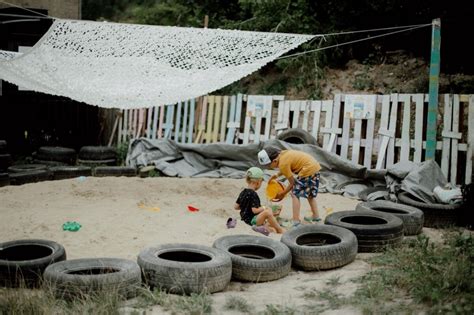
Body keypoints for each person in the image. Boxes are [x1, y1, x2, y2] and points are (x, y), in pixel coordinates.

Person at [258, 146, 321, 226]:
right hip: (314, 167)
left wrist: (282, 193)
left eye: (268, 165)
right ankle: (316, 216)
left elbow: (292, 183)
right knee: (310, 195)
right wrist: (276, 175)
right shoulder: (283, 154)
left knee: (294, 194)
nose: (268, 167)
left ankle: (295, 220)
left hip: (307, 170)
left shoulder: (283, 164)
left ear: (274, 161)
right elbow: (287, 166)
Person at [234, 166, 285, 234]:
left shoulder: (243, 192)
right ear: (258, 182)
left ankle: (266, 228)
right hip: (251, 220)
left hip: (244, 219)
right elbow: (255, 211)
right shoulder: (253, 194)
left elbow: (236, 207)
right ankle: (280, 230)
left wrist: (246, 206)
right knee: (267, 212)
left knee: (271, 228)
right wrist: (264, 207)